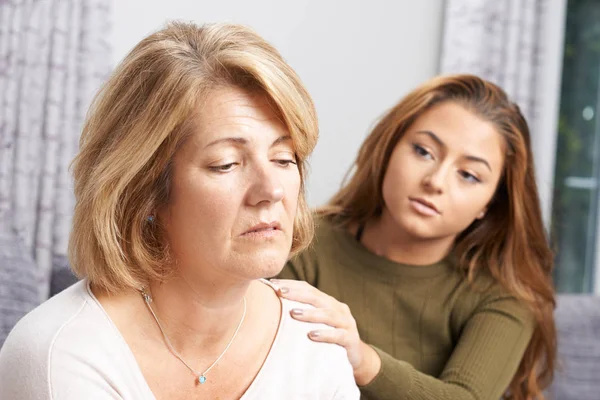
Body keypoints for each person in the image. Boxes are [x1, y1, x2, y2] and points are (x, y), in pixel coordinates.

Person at [0, 21, 360, 399]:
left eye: (284, 159)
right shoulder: (61, 356)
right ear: (145, 191)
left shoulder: (315, 342)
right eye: (226, 164)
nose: (271, 190)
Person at [274, 74, 557, 400]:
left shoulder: (503, 294)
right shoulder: (302, 239)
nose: (435, 181)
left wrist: (363, 359)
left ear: (489, 204)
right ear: (390, 147)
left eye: (468, 175)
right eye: (423, 151)